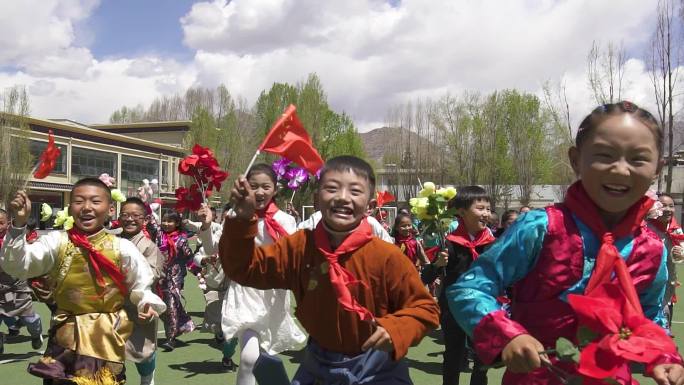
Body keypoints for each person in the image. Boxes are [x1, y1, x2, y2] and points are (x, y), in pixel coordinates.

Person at [448, 101, 684, 385]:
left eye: (637, 159)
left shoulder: (651, 249)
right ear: (575, 159)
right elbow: (470, 288)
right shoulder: (541, 228)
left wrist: (664, 358)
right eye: (605, 155)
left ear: (657, 168)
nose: (621, 170)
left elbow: (648, 317)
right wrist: (508, 333)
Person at [220, 155, 440, 384]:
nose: (343, 198)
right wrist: (244, 218)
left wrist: (396, 329)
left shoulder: (387, 256)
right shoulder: (299, 247)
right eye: (332, 189)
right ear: (317, 199)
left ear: (370, 204)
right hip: (319, 365)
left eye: (355, 191)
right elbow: (244, 269)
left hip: (378, 368)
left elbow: (426, 308)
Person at [1, 178, 165, 384]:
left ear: (110, 209)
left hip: (105, 337)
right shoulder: (56, 241)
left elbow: (141, 283)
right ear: (70, 208)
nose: (87, 208)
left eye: (95, 202)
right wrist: (18, 225)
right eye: (79, 201)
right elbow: (16, 265)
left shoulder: (122, 247)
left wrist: (146, 303)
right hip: (65, 336)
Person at [202, 163, 306, 385]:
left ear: (275, 189)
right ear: (245, 188)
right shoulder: (235, 215)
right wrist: (207, 227)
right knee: (249, 358)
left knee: (263, 357)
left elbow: (295, 259)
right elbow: (215, 251)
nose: (260, 192)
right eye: (254, 186)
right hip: (245, 292)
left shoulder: (286, 221)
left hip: (274, 296)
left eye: (266, 186)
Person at [424, 186, 495, 385]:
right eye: (480, 208)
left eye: (488, 209)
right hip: (453, 309)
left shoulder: (492, 244)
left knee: (483, 355)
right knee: (454, 354)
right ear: (461, 212)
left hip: (483, 308)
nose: (486, 213)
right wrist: (438, 265)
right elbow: (426, 277)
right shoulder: (450, 244)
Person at [119, 197, 166, 385]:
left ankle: (147, 378)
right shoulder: (112, 240)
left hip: (140, 306)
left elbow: (153, 274)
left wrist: (125, 273)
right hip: (113, 307)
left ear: (145, 220)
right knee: (111, 352)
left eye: (135, 215)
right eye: (125, 215)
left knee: (143, 352)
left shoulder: (149, 246)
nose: (129, 219)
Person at [187, 206, 238, 372]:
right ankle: (219, 333)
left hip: (238, 290)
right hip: (214, 286)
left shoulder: (250, 238)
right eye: (227, 219)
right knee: (218, 322)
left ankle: (228, 356)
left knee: (233, 327)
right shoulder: (216, 234)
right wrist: (206, 259)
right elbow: (203, 251)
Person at [0, 209, 43, 354]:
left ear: (8, 223)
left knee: (29, 319)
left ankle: (36, 335)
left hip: (16, 285)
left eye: (1, 223)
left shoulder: (15, 238)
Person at [155, 210, 195, 351]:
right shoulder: (158, 235)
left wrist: (196, 269)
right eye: (164, 220)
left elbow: (189, 258)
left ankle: (170, 339)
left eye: (170, 221)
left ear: (177, 223)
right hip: (158, 277)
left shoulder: (182, 240)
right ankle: (182, 324)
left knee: (171, 306)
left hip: (175, 278)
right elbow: (148, 223)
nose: (166, 224)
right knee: (160, 308)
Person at [647, 193, 684, 332]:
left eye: (671, 206)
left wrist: (680, 254)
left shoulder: (675, 229)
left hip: (669, 284)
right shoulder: (647, 227)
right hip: (649, 283)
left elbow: (680, 253)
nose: (668, 209)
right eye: (663, 205)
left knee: (665, 319)